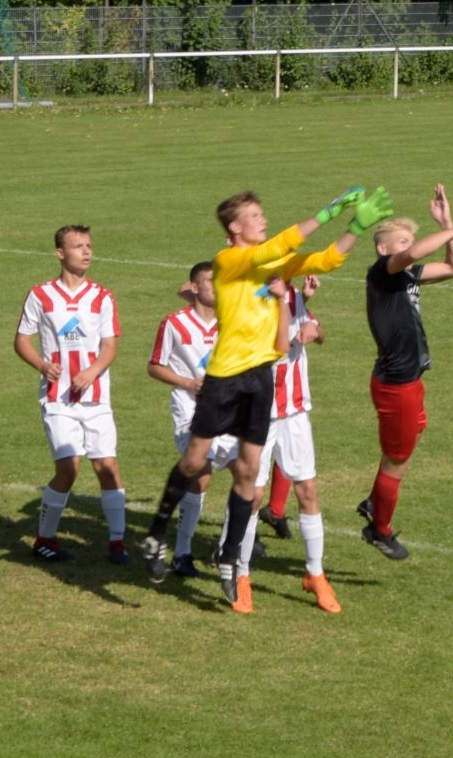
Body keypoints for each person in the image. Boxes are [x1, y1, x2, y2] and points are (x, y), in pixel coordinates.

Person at [143, 186, 394, 609]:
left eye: (263, 214)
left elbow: (324, 260)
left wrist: (354, 228)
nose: (263, 220)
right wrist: (328, 211)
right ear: (234, 227)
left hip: (259, 381)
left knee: (248, 471)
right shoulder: (228, 261)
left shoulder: (273, 266)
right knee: (194, 459)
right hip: (225, 376)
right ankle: (156, 533)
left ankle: (230, 560)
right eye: (255, 216)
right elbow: (277, 247)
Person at [357, 184, 453, 561]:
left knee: (414, 434)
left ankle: (374, 501)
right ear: (383, 249)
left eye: (409, 240)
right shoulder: (383, 271)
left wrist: (447, 225)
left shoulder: (408, 276)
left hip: (410, 379)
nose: (409, 247)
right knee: (397, 459)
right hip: (396, 384)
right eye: (401, 241)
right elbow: (413, 253)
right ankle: (379, 529)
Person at [220, 275, 342, 613]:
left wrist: (315, 329)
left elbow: (317, 332)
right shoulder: (246, 300)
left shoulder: (291, 294)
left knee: (308, 489)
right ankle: (241, 574)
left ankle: (315, 573)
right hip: (257, 412)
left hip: (295, 410)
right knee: (253, 495)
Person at [14, 225, 128, 565]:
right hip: (58, 398)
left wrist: (92, 372)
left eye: (89, 245)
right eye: (78, 246)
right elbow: (22, 340)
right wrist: (41, 364)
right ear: (60, 253)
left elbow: (110, 346)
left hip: (96, 398)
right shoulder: (41, 295)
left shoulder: (102, 297)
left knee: (108, 467)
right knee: (69, 468)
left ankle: (118, 543)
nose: (86, 251)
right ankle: (44, 538)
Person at [142, 262, 237, 581]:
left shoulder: (230, 321)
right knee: (201, 476)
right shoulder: (174, 323)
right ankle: (182, 552)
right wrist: (187, 382)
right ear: (194, 287)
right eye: (210, 281)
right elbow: (154, 366)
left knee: (249, 479)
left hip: (227, 410)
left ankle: (228, 548)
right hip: (189, 410)